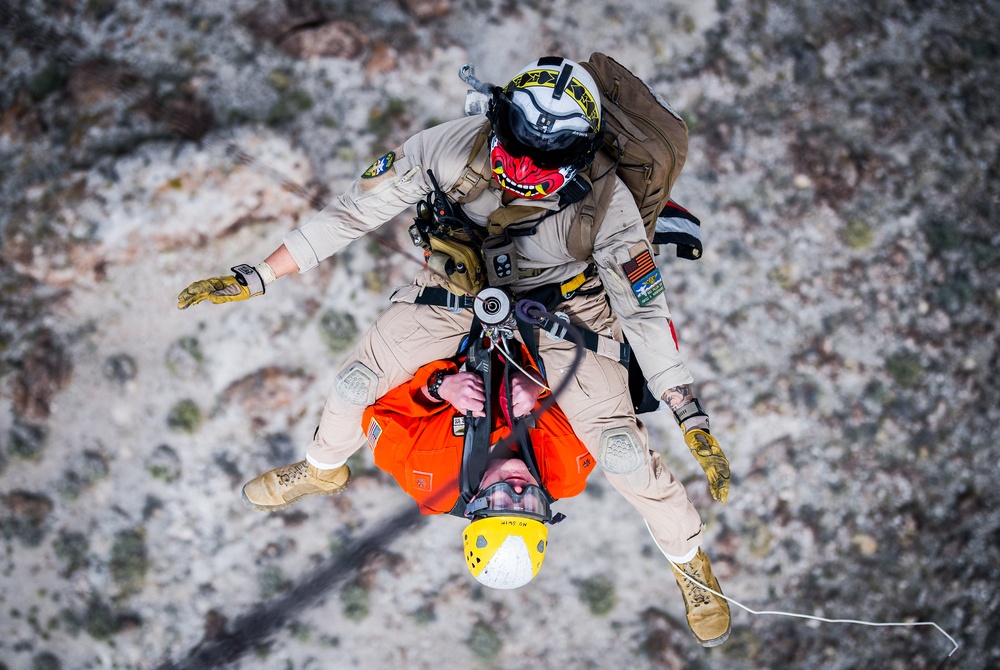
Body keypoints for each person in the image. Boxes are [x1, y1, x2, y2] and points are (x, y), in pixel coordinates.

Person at [178, 56, 732, 647]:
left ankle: (687, 562)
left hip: (568, 306)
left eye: (499, 498)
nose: (514, 487)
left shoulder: (606, 203)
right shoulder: (450, 149)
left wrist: (687, 413)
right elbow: (351, 213)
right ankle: (322, 470)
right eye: (526, 497)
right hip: (464, 289)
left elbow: (642, 311)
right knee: (613, 448)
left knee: (620, 450)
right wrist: (258, 275)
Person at [353, 344, 595, 590]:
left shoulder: (427, 478)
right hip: (540, 332)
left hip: (452, 338)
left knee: (350, 390)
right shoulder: (570, 467)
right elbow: (598, 385)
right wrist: (539, 378)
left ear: (476, 504)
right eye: (530, 506)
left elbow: (379, 412)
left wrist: (438, 388)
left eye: (503, 503)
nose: (519, 491)